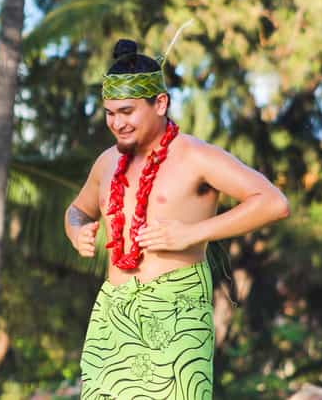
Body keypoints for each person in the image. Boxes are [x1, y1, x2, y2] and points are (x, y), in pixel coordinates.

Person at [65, 38, 290, 399]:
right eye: (110, 113)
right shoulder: (107, 162)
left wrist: (193, 233)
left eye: (127, 111)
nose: (117, 123)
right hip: (113, 313)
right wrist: (76, 231)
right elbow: (77, 209)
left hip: (177, 311)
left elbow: (273, 202)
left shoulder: (196, 156)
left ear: (160, 103)